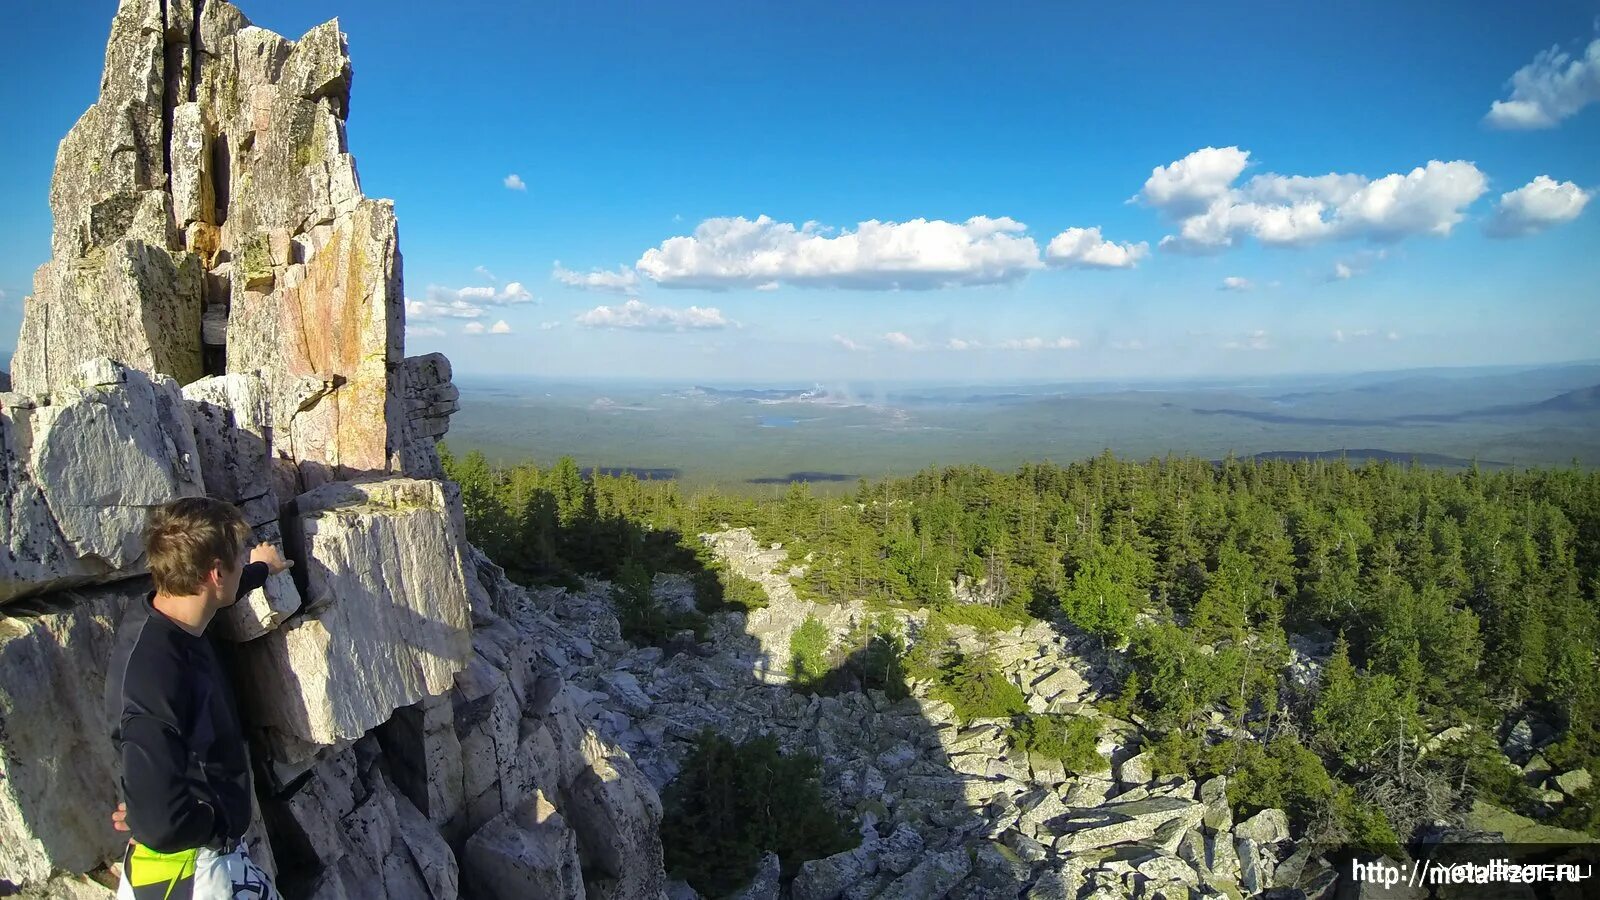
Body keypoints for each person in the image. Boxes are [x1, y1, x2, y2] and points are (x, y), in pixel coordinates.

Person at [104, 497, 293, 899]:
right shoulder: (156, 675)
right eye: (238, 560)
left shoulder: (167, 614)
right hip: (193, 875)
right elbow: (159, 825)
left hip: (204, 861)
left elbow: (224, 586)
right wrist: (215, 820)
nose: (242, 565)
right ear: (214, 573)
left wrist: (261, 567)